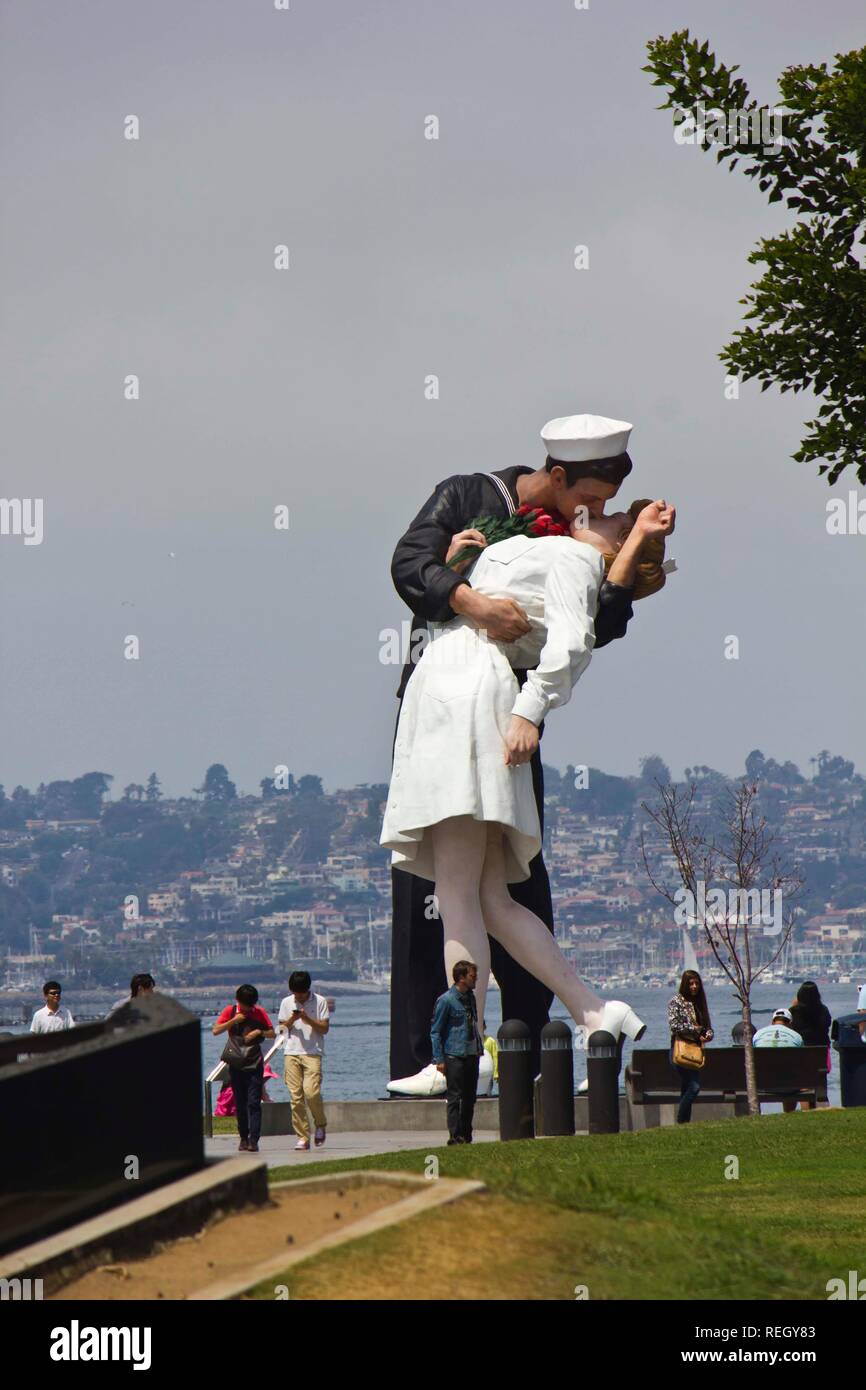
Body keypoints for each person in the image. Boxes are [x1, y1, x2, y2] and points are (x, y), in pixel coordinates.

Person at [388, 414, 660, 1085]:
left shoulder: (570, 551)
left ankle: (461, 1055)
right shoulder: (471, 496)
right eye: (590, 500)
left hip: (480, 705)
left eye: (606, 512)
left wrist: (629, 548)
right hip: (460, 702)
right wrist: (466, 587)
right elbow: (410, 564)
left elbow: (585, 633)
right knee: (487, 896)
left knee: (466, 891)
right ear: (558, 477)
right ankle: (589, 1012)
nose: (593, 513)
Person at [212, 984, 275, 1153]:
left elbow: (272, 1033)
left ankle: (254, 1140)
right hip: (236, 1063)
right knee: (240, 1103)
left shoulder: (259, 1012)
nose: (249, 1009)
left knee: (254, 1102)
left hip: (254, 1062)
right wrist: (233, 1021)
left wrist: (259, 1032)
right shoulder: (230, 1011)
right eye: (246, 1005)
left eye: (251, 1005)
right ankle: (243, 1138)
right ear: (238, 1001)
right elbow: (215, 1030)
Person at [278, 970, 330, 1152]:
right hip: (291, 1052)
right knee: (296, 1097)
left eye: (301, 993)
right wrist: (293, 1018)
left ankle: (320, 1124)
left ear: (308, 989)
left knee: (312, 1092)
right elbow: (281, 1030)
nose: (298, 996)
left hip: (313, 1052)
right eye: (295, 993)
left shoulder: (320, 1001)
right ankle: (302, 1136)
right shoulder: (286, 1002)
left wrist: (307, 1019)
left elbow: (324, 1029)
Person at [431, 961, 483, 1144]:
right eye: (472, 976)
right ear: (461, 977)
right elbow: (435, 1031)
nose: (475, 979)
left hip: (471, 1054)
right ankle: (454, 1136)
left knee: (470, 1097)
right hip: (454, 1055)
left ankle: (466, 1135)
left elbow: (473, 1024)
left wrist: (479, 1048)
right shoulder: (446, 1000)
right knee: (454, 1097)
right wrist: (439, 1059)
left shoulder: (471, 998)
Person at [667, 971, 713, 1124]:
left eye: (696, 983)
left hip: (695, 1051)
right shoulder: (676, 1002)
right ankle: (681, 1120)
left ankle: (684, 1124)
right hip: (679, 1050)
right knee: (694, 1087)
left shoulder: (699, 1002)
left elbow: (707, 1027)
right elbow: (675, 1026)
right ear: (684, 985)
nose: (694, 987)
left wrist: (708, 1035)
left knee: (687, 1087)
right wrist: (696, 1030)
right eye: (691, 984)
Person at [788, 980, 832, 1111]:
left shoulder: (794, 1012)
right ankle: (820, 1104)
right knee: (819, 1080)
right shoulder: (823, 1010)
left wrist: (793, 1006)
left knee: (804, 1082)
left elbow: (789, 1029)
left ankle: (806, 1110)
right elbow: (826, 1026)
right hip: (821, 1056)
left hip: (800, 1056)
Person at [482, 1018, 499, 1083]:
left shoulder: (491, 1041)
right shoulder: (471, 1042)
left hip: (488, 1074)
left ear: (485, 1027)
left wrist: (496, 1074)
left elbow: (495, 1058)